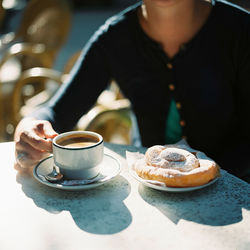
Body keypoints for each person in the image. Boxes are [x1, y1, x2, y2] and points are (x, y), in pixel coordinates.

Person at [14, 0, 250, 181]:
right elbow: (59, 111)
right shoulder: (114, 37)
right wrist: (29, 125)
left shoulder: (240, 30)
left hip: (237, 190)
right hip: (150, 189)